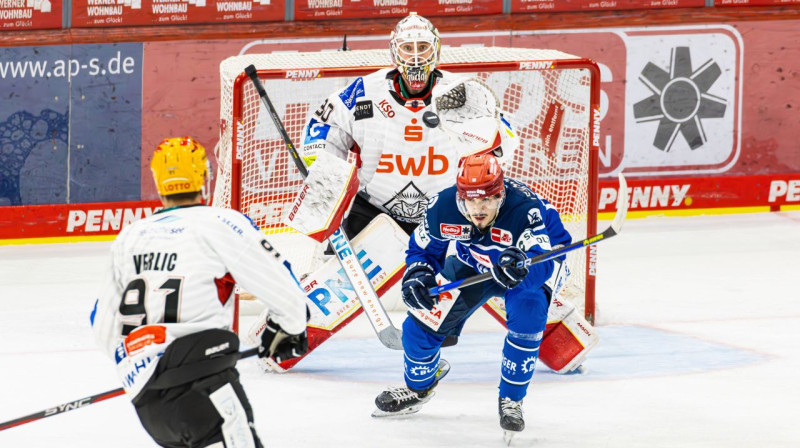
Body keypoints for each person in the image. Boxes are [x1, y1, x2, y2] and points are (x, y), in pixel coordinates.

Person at [91, 137, 309, 448]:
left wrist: (144, 368)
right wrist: (291, 328)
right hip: (205, 388)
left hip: (149, 406)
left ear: (157, 181)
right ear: (205, 177)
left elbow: (104, 329)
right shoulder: (221, 223)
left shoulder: (129, 236)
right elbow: (283, 289)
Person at [372, 153, 572, 440]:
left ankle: (512, 399)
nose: (478, 209)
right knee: (418, 326)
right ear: (460, 195)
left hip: (531, 267)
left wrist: (522, 269)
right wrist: (418, 274)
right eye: (471, 200)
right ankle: (419, 387)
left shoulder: (525, 209)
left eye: (487, 200)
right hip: (475, 262)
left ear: (500, 195)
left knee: (528, 312)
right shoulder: (442, 207)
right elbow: (422, 250)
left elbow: (543, 260)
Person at [300, 12, 517, 239]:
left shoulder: (461, 91)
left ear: (436, 50)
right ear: (395, 51)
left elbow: (505, 142)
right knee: (334, 270)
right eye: (408, 48)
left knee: (457, 273)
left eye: (422, 47)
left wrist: (485, 134)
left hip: (446, 210)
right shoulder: (364, 90)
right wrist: (324, 174)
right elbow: (324, 122)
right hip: (372, 210)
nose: (415, 57)